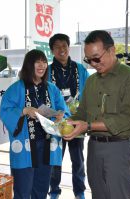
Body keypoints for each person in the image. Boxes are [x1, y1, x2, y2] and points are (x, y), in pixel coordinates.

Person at [63, 30, 130, 199]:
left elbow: (125, 119)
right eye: (88, 60)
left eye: (96, 58)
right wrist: (67, 121)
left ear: (112, 50)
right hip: (94, 147)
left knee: (117, 195)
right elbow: (83, 112)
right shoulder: (92, 81)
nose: (93, 63)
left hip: (119, 148)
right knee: (98, 194)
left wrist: (88, 126)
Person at [0, 49, 69, 199]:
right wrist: (24, 110)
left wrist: (60, 116)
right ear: (29, 65)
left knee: (42, 188)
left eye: (44, 62)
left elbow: (64, 109)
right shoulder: (15, 89)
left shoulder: (52, 89)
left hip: (47, 146)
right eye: (37, 62)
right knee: (23, 190)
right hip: (25, 147)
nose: (42, 65)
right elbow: (5, 111)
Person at [47, 33, 89, 199]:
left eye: (64, 45)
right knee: (55, 160)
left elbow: (88, 94)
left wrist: (84, 115)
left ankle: (79, 192)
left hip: (77, 121)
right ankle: (54, 191)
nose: (61, 49)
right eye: (57, 47)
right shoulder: (48, 71)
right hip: (55, 123)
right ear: (52, 50)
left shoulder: (80, 69)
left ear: (68, 47)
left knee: (78, 160)